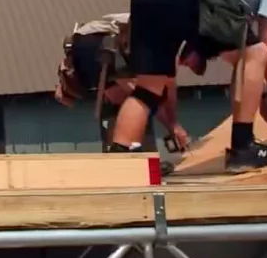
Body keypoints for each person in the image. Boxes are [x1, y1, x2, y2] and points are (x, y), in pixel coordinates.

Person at [109, 0, 267, 173]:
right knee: (257, 53)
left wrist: (261, 93)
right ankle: (243, 148)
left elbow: (237, 62)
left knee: (149, 89)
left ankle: (121, 162)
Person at [54, 12, 190, 173]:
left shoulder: (159, 45)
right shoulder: (119, 51)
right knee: (132, 103)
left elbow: (166, 90)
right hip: (96, 54)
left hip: (97, 50)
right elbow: (151, 94)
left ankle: (135, 159)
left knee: (136, 102)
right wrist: (172, 125)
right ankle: (125, 161)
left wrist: (173, 124)